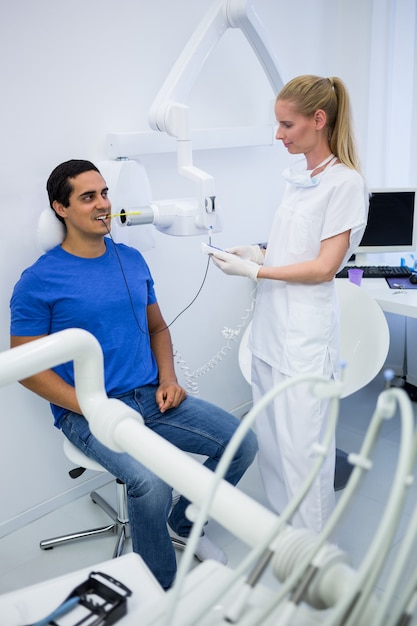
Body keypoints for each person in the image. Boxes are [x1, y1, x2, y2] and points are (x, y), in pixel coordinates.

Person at [9, 159, 258, 590]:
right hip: (87, 412)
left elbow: (158, 327)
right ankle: (158, 590)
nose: (104, 204)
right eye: (89, 197)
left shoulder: (131, 259)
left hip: (151, 396)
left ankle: (179, 523)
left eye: (105, 193)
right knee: (152, 481)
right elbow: (27, 368)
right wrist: (92, 406)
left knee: (242, 442)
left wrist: (169, 378)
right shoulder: (38, 280)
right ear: (60, 208)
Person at [208, 75, 368, 533]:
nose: (278, 135)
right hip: (270, 332)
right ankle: (286, 540)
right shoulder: (300, 180)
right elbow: (292, 250)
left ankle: (312, 563)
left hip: (304, 340)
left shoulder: (345, 184)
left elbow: (323, 267)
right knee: (275, 446)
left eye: (287, 125)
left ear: (319, 120)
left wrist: (256, 272)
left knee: (304, 453)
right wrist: (256, 254)